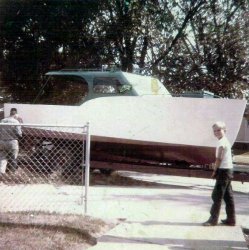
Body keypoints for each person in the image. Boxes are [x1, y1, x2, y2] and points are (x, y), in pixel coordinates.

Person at [203, 121, 236, 226]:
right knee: (228, 196)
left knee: (216, 196)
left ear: (224, 130)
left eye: (219, 130)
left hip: (223, 171)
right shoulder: (225, 141)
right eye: (215, 131)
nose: (216, 132)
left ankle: (213, 220)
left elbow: (219, 158)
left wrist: (214, 171)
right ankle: (231, 220)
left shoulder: (222, 143)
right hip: (228, 170)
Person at [0, 108, 22, 174]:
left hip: (2, 141)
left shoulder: (2, 121)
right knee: (13, 157)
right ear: (15, 114)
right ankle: (13, 173)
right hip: (12, 142)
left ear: (10, 113)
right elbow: (19, 134)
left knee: (2, 157)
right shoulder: (16, 122)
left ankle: (1, 172)